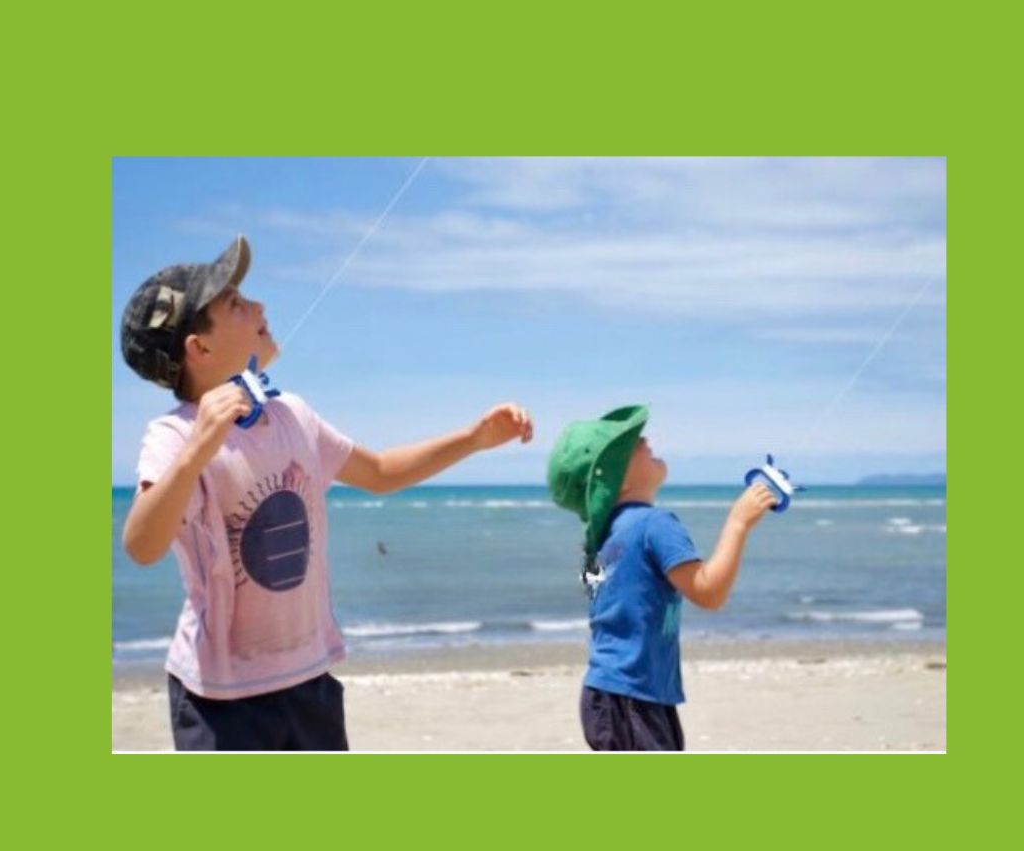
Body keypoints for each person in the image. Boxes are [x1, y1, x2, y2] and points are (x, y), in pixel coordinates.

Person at [119, 235, 533, 751]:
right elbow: (141, 544)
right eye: (236, 304)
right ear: (199, 348)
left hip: (307, 677)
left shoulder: (291, 412)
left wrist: (473, 439)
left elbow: (379, 472)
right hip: (218, 698)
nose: (260, 306)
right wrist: (200, 447)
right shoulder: (175, 435)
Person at [547, 406, 774, 751]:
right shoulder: (654, 524)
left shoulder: (602, 536)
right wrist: (738, 522)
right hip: (632, 696)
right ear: (616, 480)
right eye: (633, 443)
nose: (646, 440)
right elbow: (709, 592)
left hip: (610, 692)